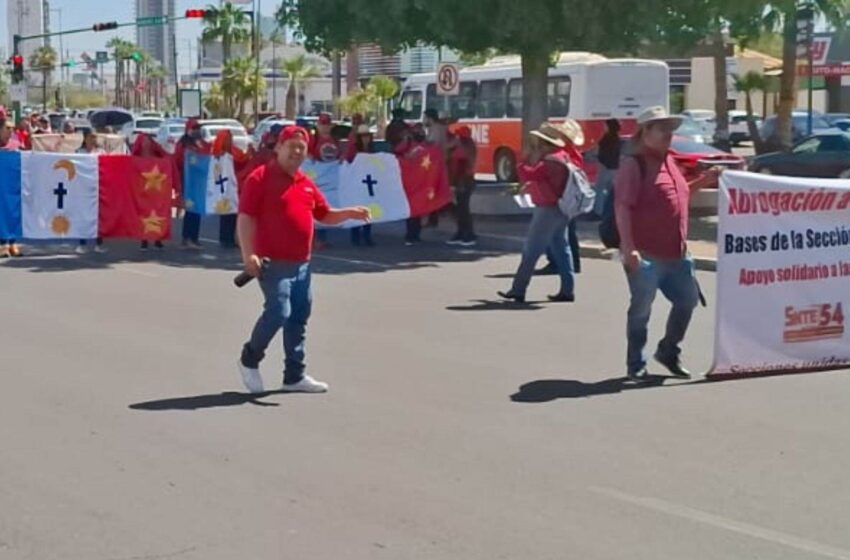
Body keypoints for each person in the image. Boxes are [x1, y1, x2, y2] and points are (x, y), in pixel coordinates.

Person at [236, 126, 371, 394]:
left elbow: (325, 214)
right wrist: (248, 254)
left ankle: (294, 376)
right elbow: (246, 217)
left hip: (302, 263)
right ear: (278, 148)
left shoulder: (305, 183)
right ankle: (249, 359)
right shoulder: (260, 178)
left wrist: (349, 214)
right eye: (291, 146)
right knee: (279, 311)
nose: (297, 152)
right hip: (271, 263)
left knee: (299, 316)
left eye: (301, 148)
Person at [615, 106, 721, 382]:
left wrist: (704, 181)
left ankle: (668, 351)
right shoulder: (633, 164)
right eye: (661, 129)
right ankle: (635, 362)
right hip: (646, 254)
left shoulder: (669, 161)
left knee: (687, 301)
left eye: (670, 130)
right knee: (641, 310)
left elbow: (682, 195)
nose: (668, 135)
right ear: (645, 132)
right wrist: (629, 249)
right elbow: (622, 207)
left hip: (677, 254)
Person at [498, 123, 576, 304]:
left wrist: (523, 160)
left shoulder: (550, 162)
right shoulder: (563, 157)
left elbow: (528, 174)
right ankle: (568, 289)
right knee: (562, 249)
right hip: (562, 208)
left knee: (531, 251)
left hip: (547, 209)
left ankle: (518, 289)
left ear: (545, 144)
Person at [174, 119, 211, 249]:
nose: (197, 130)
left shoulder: (202, 144)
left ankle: (194, 238)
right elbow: (177, 163)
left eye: (198, 128)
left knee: (198, 210)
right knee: (190, 210)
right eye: (194, 128)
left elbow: (209, 156)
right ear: (188, 130)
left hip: (199, 183)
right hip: (188, 183)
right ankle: (187, 237)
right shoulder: (183, 145)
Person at [212, 129, 250, 249]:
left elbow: (242, 159)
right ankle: (225, 239)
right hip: (223, 186)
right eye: (228, 139)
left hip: (232, 186)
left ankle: (229, 238)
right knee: (225, 213)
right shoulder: (217, 155)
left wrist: (249, 152)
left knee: (232, 213)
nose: (230, 140)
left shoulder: (232, 151)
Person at [131, 135, 171, 250]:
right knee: (143, 215)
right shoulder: (136, 159)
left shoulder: (158, 157)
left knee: (158, 213)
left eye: (148, 141)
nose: (146, 144)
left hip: (157, 192)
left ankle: (158, 239)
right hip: (142, 191)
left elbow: (169, 161)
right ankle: (144, 240)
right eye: (144, 142)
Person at [74, 132, 106, 254]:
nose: (93, 139)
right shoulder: (79, 152)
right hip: (82, 189)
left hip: (97, 188)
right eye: (90, 137)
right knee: (83, 216)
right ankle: (82, 243)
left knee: (98, 217)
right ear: (85, 138)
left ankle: (99, 243)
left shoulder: (101, 152)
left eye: (95, 137)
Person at [446, 125, 478, 246]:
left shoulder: (461, 150)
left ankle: (468, 235)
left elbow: (458, 169)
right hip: (467, 181)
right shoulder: (468, 147)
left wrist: (453, 184)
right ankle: (461, 233)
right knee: (461, 208)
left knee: (463, 209)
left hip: (463, 182)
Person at [345, 124, 376, 247]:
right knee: (357, 209)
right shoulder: (354, 148)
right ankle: (356, 236)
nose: (365, 138)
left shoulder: (371, 148)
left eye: (367, 136)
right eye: (363, 136)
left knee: (369, 209)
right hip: (357, 181)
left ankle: (367, 235)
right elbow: (349, 161)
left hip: (368, 181)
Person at [0, 118, 23, 258]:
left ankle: (13, 242)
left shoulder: (15, 145)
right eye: (7, 128)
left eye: (12, 129)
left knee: (14, 210)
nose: (10, 132)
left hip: (13, 184)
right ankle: (3, 244)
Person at [596, 118, 621, 217]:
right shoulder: (618, 139)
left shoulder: (605, 139)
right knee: (612, 191)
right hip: (616, 167)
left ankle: (599, 211)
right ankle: (611, 211)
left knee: (600, 190)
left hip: (605, 167)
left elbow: (601, 154)